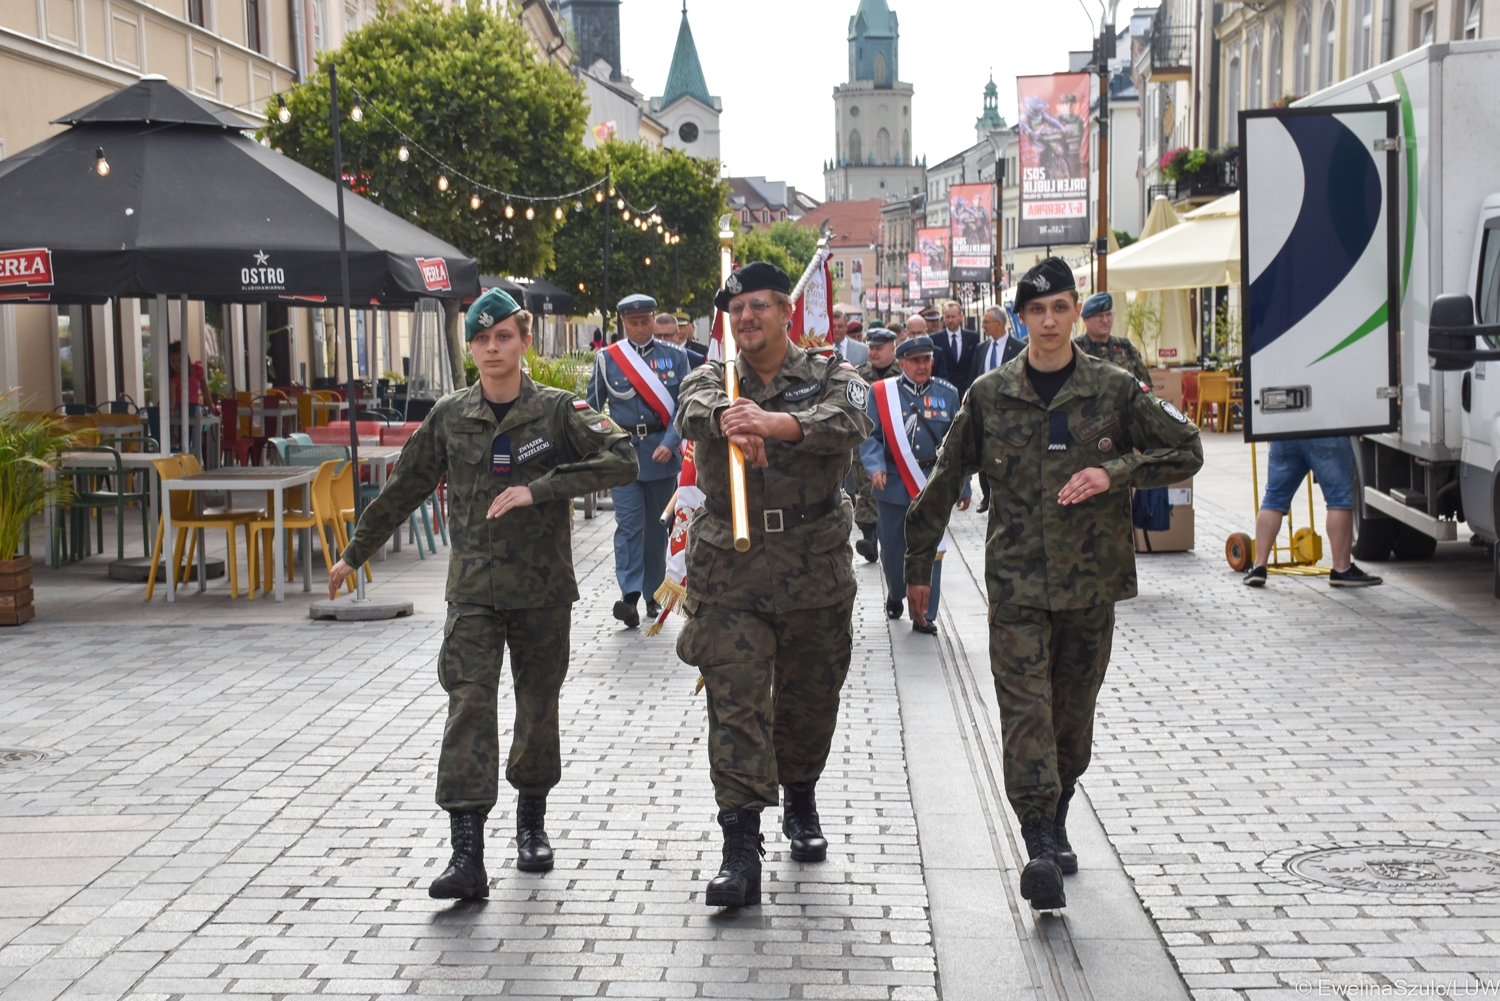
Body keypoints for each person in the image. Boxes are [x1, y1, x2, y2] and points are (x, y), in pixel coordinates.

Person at [903, 257, 1203, 913]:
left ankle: (1059, 807)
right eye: (1035, 311)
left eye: (1059, 308)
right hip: (1016, 586)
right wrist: (917, 566)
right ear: (1021, 318)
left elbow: (1187, 448)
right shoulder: (989, 395)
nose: (1048, 321)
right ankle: (1038, 840)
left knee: (1072, 720)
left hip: (1091, 587)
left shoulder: (1114, 389)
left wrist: (1113, 471)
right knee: (1026, 714)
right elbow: (946, 479)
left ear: (1074, 312)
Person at [329, 288, 637, 898]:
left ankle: (531, 826)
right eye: (481, 339)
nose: (492, 348)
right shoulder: (449, 416)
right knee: (468, 705)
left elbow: (622, 457)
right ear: (469, 348)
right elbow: (403, 488)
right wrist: (354, 552)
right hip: (472, 591)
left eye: (503, 337)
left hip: (542, 591)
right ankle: (466, 853)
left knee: (536, 708)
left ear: (522, 340)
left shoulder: (558, 411)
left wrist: (543, 488)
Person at [673, 261, 874, 909]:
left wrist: (776, 424)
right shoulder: (714, 379)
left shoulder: (830, 374)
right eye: (738, 310)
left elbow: (850, 420)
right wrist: (735, 418)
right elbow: (692, 409)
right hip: (729, 570)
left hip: (814, 567)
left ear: (787, 311)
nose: (748, 317)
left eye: (760, 306)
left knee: (809, 700)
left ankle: (802, 793)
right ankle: (740, 845)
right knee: (735, 703)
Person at [587, 293, 692, 628]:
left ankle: (653, 594)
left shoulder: (675, 357)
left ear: (654, 318)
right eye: (632, 323)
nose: (639, 328)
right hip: (625, 455)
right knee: (629, 526)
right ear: (623, 323)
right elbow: (592, 410)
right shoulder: (607, 360)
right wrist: (607, 445)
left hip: (662, 454)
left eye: (645, 321)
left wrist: (671, 442)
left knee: (657, 529)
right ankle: (629, 596)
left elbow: (685, 405)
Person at [860, 335, 969, 634]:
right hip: (893, 484)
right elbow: (871, 436)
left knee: (931, 548)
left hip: (933, 483)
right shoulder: (882, 393)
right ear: (902, 363)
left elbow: (959, 443)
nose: (922, 366)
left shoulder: (947, 394)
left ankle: (925, 614)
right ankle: (896, 592)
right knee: (894, 552)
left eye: (927, 360)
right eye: (915, 360)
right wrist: (875, 467)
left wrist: (965, 485)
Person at [1242, 438, 1385, 588]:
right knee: (1339, 499)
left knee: (1273, 498)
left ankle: (1258, 567)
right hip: (1325, 432)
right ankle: (1342, 568)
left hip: (1283, 433)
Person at [970, 306, 1026, 514]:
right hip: (984, 410)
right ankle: (986, 495)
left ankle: (1005, 493)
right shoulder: (981, 348)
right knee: (985, 452)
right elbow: (974, 377)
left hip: (1009, 412)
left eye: (986, 322)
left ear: (999, 324)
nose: (983, 326)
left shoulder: (1019, 347)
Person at [852, 328, 899, 562]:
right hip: (866, 442)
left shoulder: (903, 374)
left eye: (879, 348)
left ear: (893, 348)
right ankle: (869, 539)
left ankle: (891, 539)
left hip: (897, 444)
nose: (873, 352)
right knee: (867, 489)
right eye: (870, 348)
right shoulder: (858, 376)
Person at [1073, 292, 1153, 386]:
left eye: (1109, 314)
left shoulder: (1126, 347)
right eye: (1099, 316)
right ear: (1085, 319)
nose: (1105, 320)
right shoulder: (1074, 350)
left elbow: (1146, 385)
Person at [934, 300, 980, 396]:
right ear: (943, 317)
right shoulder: (935, 339)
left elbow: (976, 365)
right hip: (944, 391)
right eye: (947, 317)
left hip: (967, 391)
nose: (950, 320)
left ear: (961, 317)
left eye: (953, 317)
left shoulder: (973, 338)